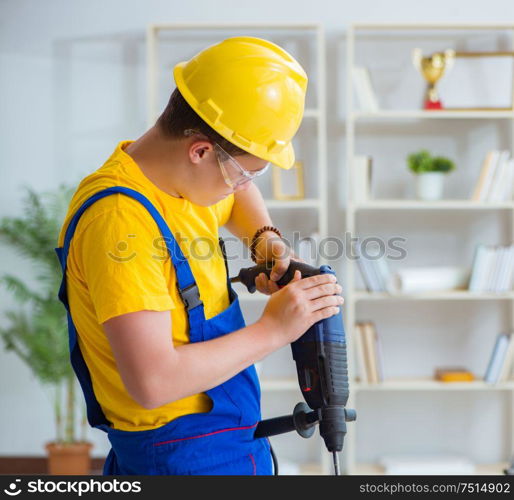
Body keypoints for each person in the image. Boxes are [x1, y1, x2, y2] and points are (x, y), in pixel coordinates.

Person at [56, 36, 343, 475]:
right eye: (245, 170)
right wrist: (274, 330)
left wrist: (266, 240)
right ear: (201, 150)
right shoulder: (120, 223)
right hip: (178, 460)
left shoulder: (177, 179)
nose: (241, 184)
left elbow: (239, 193)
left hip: (229, 443)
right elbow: (153, 382)